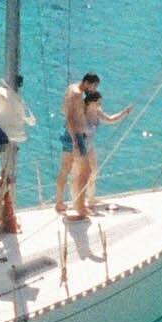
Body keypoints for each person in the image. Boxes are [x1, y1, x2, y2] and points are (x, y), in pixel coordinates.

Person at [74, 81, 132, 217]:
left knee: (94, 172)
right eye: (98, 103)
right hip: (80, 149)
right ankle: (79, 204)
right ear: (90, 103)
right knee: (83, 175)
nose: (100, 105)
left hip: (89, 147)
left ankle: (91, 200)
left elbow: (110, 119)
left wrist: (124, 113)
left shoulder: (97, 112)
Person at [56, 73, 100, 214]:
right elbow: (69, 116)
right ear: (87, 83)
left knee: (66, 169)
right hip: (75, 136)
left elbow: (64, 110)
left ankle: (59, 203)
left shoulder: (72, 88)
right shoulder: (76, 95)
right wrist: (75, 140)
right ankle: (80, 207)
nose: (93, 90)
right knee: (85, 172)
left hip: (70, 134)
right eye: (94, 86)